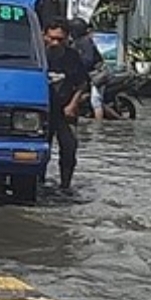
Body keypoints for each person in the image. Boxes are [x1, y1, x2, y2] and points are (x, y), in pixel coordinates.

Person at [43, 18, 89, 191]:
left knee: (69, 148)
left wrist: (73, 104)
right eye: (52, 38)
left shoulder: (72, 57)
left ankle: (65, 186)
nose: (55, 43)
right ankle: (38, 181)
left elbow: (83, 83)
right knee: (39, 150)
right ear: (44, 35)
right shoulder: (37, 55)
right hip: (42, 112)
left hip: (65, 110)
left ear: (67, 38)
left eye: (60, 39)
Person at [69, 17, 107, 120]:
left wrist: (77, 67)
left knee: (96, 101)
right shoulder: (77, 42)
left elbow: (88, 60)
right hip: (89, 75)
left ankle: (99, 125)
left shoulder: (85, 41)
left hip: (96, 75)